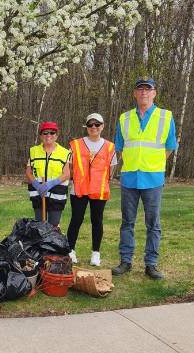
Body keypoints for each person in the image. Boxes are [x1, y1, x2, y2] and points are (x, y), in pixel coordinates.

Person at [112, 77, 178, 279]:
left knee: (153, 224)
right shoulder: (125, 118)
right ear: (134, 94)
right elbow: (120, 148)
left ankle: (151, 264)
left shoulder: (166, 117)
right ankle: (126, 261)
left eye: (147, 90)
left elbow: (169, 147)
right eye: (140, 90)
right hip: (130, 177)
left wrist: (153, 163)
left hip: (153, 178)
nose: (144, 93)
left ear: (154, 93)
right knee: (127, 222)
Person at [67, 113, 117, 267]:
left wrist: (103, 181)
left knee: (97, 220)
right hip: (79, 189)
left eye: (97, 124)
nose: (93, 127)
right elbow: (70, 165)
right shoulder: (75, 144)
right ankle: (71, 250)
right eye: (90, 125)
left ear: (102, 126)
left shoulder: (109, 146)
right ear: (86, 127)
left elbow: (112, 167)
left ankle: (96, 253)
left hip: (99, 189)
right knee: (76, 219)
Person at [26, 121, 71, 226]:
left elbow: (66, 174)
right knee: (40, 225)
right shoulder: (33, 151)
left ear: (57, 135)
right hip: (38, 193)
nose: (48, 136)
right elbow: (28, 172)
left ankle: (53, 242)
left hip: (57, 193)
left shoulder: (65, 152)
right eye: (45, 133)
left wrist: (50, 184)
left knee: (54, 225)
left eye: (52, 133)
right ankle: (41, 243)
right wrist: (37, 185)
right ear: (41, 135)